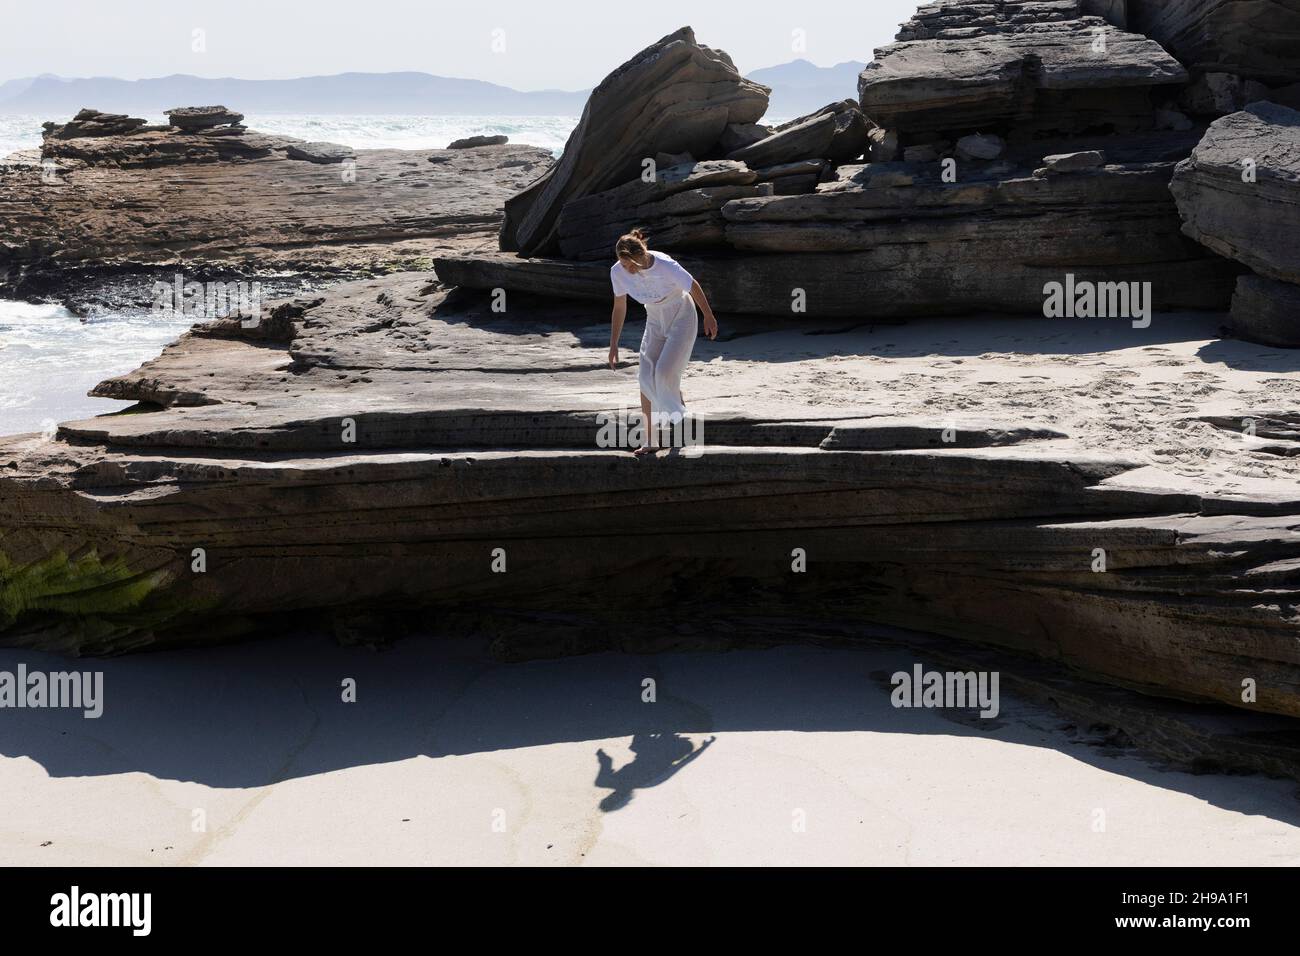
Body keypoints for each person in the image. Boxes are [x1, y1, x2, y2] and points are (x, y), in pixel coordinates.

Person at [607, 229, 719, 457]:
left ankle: (679, 417)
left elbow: (693, 285)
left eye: (631, 265)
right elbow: (619, 307)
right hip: (655, 317)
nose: (627, 270)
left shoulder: (665, 265)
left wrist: (708, 315)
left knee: (664, 372)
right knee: (645, 376)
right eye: (623, 265)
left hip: (682, 314)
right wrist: (613, 343)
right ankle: (651, 439)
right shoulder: (617, 272)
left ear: (641, 256)